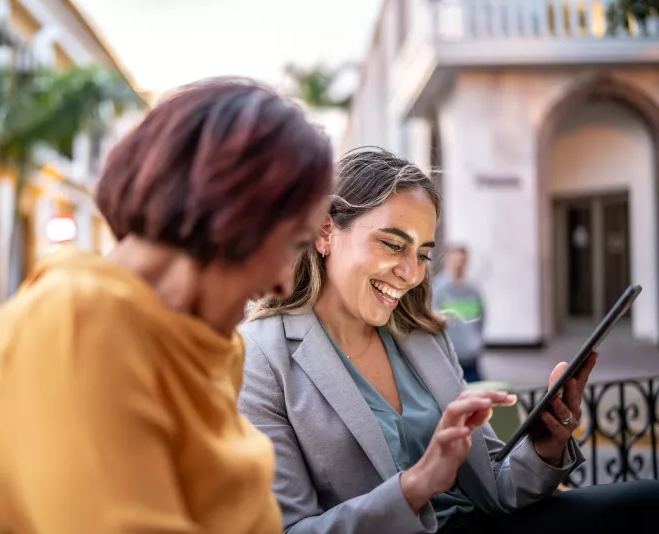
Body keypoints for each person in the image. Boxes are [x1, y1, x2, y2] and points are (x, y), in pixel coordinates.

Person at [0, 78, 334, 533]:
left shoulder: (207, 342)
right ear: (234, 213)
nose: (285, 283)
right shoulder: (77, 319)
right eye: (294, 243)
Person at [239, 146, 659, 534]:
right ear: (325, 232)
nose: (412, 272)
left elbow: (496, 487)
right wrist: (416, 486)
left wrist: (547, 445)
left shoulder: (422, 336)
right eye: (392, 244)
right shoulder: (259, 356)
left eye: (422, 253)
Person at [432, 246, 485, 383]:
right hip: (450, 356)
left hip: (471, 355)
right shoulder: (437, 289)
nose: (458, 265)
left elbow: (481, 318)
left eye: (462, 261)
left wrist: (477, 342)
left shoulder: (473, 289)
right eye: (455, 260)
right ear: (447, 261)